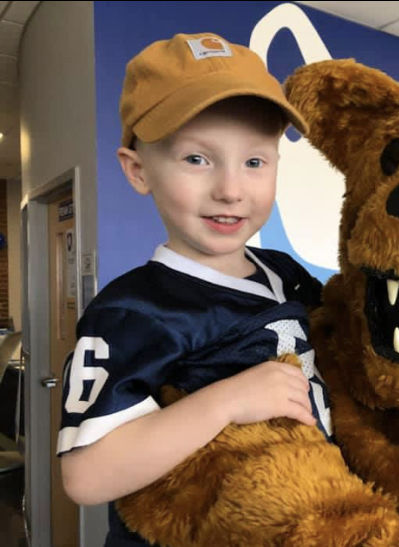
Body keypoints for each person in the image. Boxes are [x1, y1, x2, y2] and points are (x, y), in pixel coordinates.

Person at [57, 32, 330, 546]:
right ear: (138, 171)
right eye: (197, 160)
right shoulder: (131, 310)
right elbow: (86, 477)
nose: (230, 188)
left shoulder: (283, 272)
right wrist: (226, 402)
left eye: (254, 162)